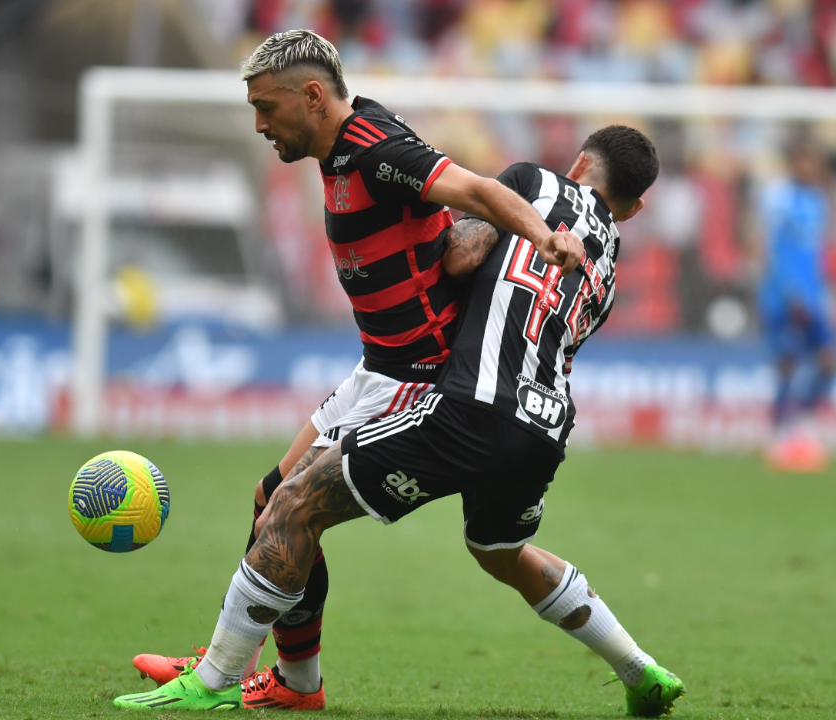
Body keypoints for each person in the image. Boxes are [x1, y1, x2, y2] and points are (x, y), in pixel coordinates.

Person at [113, 125, 687, 717]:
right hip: (542, 428)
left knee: (291, 503)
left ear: (580, 162)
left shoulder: (532, 184)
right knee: (500, 551)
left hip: (470, 407)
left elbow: (462, 255)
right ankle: (638, 667)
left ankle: (219, 678)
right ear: (636, 206)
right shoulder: (610, 269)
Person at [129, 29, 583, 710]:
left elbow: (477, 189)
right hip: (377, 366)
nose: (258, 124)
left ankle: (235, 671)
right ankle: (286, 679)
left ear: (313, 97)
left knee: (290, 509)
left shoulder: (376, 151)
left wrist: (544, 236)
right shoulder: (341, 141)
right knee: (270, 501)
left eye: (266, 107)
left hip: (416, 376)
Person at [756, 138, 836, 472]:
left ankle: (802, 422)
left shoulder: (817, 200)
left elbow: (814, 253)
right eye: (805, 161)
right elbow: (768, 248)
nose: (811, 169)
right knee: (787, 362)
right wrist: (790, 293)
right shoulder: (778, 197)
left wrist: (820, 292)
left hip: (813, 294)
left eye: (815, 162)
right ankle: (779, 434)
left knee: (830, 360)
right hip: (783, 296)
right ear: (793, 163)